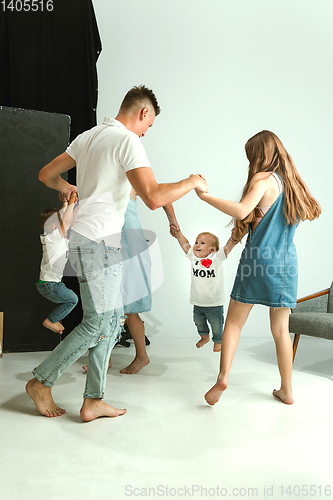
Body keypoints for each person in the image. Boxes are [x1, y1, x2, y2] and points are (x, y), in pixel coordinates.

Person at [26, 85, 208, 421]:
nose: (146, 132)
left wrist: (67, 187)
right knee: (98, 322)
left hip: (86, 240)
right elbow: (153, 196)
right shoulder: (128, 140)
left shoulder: (90, 136)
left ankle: (93, 399)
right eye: (148, 125)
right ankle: (42, 380)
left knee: (110, 322)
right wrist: (192, 181)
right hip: (99, 243)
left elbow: (45, 175)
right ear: (143, 113)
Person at [195, 130, 321, 406]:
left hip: (256, 263)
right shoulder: (291, 186)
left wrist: (205, 196)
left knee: (234, 323)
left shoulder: (262, 180)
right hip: (286, 266)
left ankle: (224, 376)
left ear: (259, 155)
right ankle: (287, 390)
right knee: (280, 330)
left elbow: (242, 211)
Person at [171, 228, 236, 351]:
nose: (197, 245)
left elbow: (228, 247)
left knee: (217, 325)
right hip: (198, 301)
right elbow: (185, 245)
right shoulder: (193, 257)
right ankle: (204, 337)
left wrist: (234, 238)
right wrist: (178, 233)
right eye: (196, 242)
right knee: (198, 322)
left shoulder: (217, 257)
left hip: (214, 303)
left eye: (202, 243)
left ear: (212, 249)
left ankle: (218, 341)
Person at [36, 192, 79, 334]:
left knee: (70, 298)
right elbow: (65, 221)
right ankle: (51, 320)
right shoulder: (53, 238)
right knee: (72, 299)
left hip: (49, 283)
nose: (66, 226)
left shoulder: (53, 237)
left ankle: (54, 320)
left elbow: (63, 218)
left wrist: (66, 204)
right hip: (50, 284)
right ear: (55, 227)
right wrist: (72, 201)